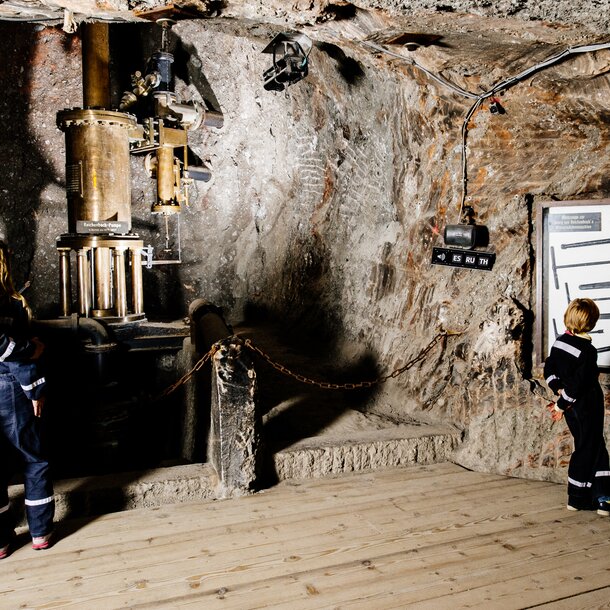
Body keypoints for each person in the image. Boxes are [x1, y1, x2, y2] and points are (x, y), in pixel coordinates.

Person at [0, 241, 54, 559]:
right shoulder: (8, 303)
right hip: (8, 389)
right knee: (35, 460)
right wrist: (35, 388)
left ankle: (2, 542)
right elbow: (10, 354)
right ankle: (40, 532)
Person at [544, 297, 610, 515]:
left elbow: (550, 370)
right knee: (587, 448)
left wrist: (558, 392)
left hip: (572, 407)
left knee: (594, 445)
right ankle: (578, 497)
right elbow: (578, 384)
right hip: (586, 406)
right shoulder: (587, 351)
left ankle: (602, 497)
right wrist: (561, 404)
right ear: (591, 322)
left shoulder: (560, 341)